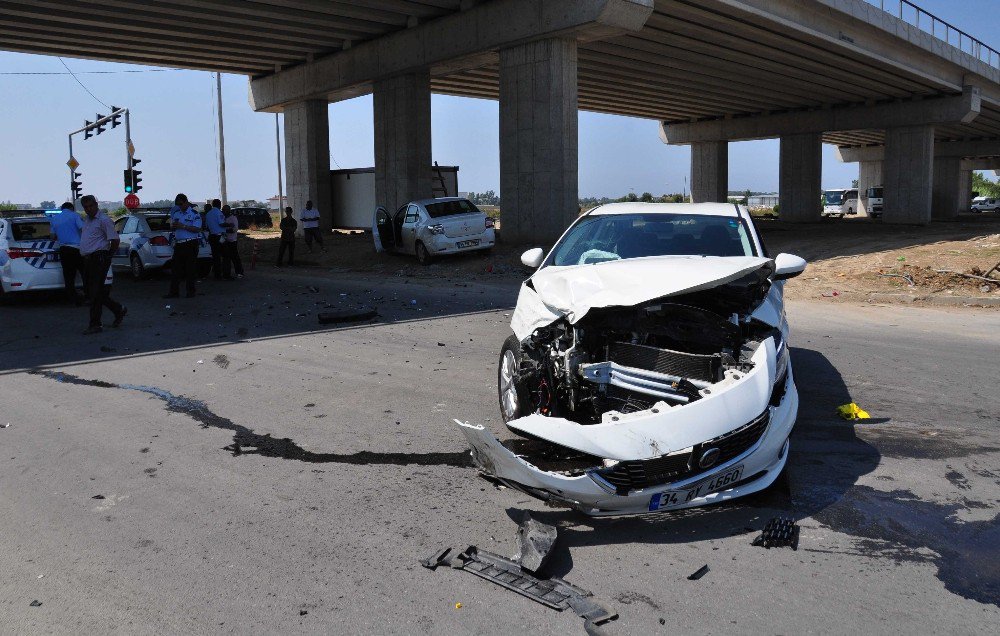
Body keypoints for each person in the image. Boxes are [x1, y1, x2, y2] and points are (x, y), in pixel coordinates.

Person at [78, 195, 125, 334]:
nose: (88, 209)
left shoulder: (104, 220)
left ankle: (95, 324)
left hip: (99, 258)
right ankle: (118, 309)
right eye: (85, 207)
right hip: (88, 259)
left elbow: (115, 240)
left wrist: (108, 256)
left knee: (94, 293)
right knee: (94, 292)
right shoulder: (87, 220)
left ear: (96, 205)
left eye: (91, 206)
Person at [165, 193, 202, 298]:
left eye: (181, 204)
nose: (179, 206)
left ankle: (191, 292)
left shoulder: (194, 214)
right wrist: (173, 227)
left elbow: (197, 229)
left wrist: (183, 226)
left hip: (191, 243)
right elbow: (172, 227)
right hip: (179, 244)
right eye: (177, 204)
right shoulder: (176, 214)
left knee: (190, 269)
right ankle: (173, 292)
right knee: (175, 269)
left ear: (186, 202)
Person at [49, 201, 86, 305]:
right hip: (77, 249)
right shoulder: (75, 216)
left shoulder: (54, 219)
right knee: (84, 273)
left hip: (64, 250)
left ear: (62, 209)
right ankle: (88, 297)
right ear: (71, 208)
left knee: (69, 276)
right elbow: (83, 229)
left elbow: (52, 237)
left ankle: (72, 300)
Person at [205, 198, 228, 280]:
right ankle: (226, 274)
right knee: (225, 256)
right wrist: (230, 224)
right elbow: (221, 224)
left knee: (215, 256)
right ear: (219, 204)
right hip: (219, 237)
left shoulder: (208, 214)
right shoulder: (219, 213)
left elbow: (207, 227)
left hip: (212, 236)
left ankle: (217, 275)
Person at [222, 204, 244, 279]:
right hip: (224, 241)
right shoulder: (222, 218)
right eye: (223, 209)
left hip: (232, 240)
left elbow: (234, 229)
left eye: (225, 210)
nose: (223, 211)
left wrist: (224, 229)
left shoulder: (233, 218)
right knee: (226, 258)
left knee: (235, 257)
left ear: (229, 210)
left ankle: (239, 272)